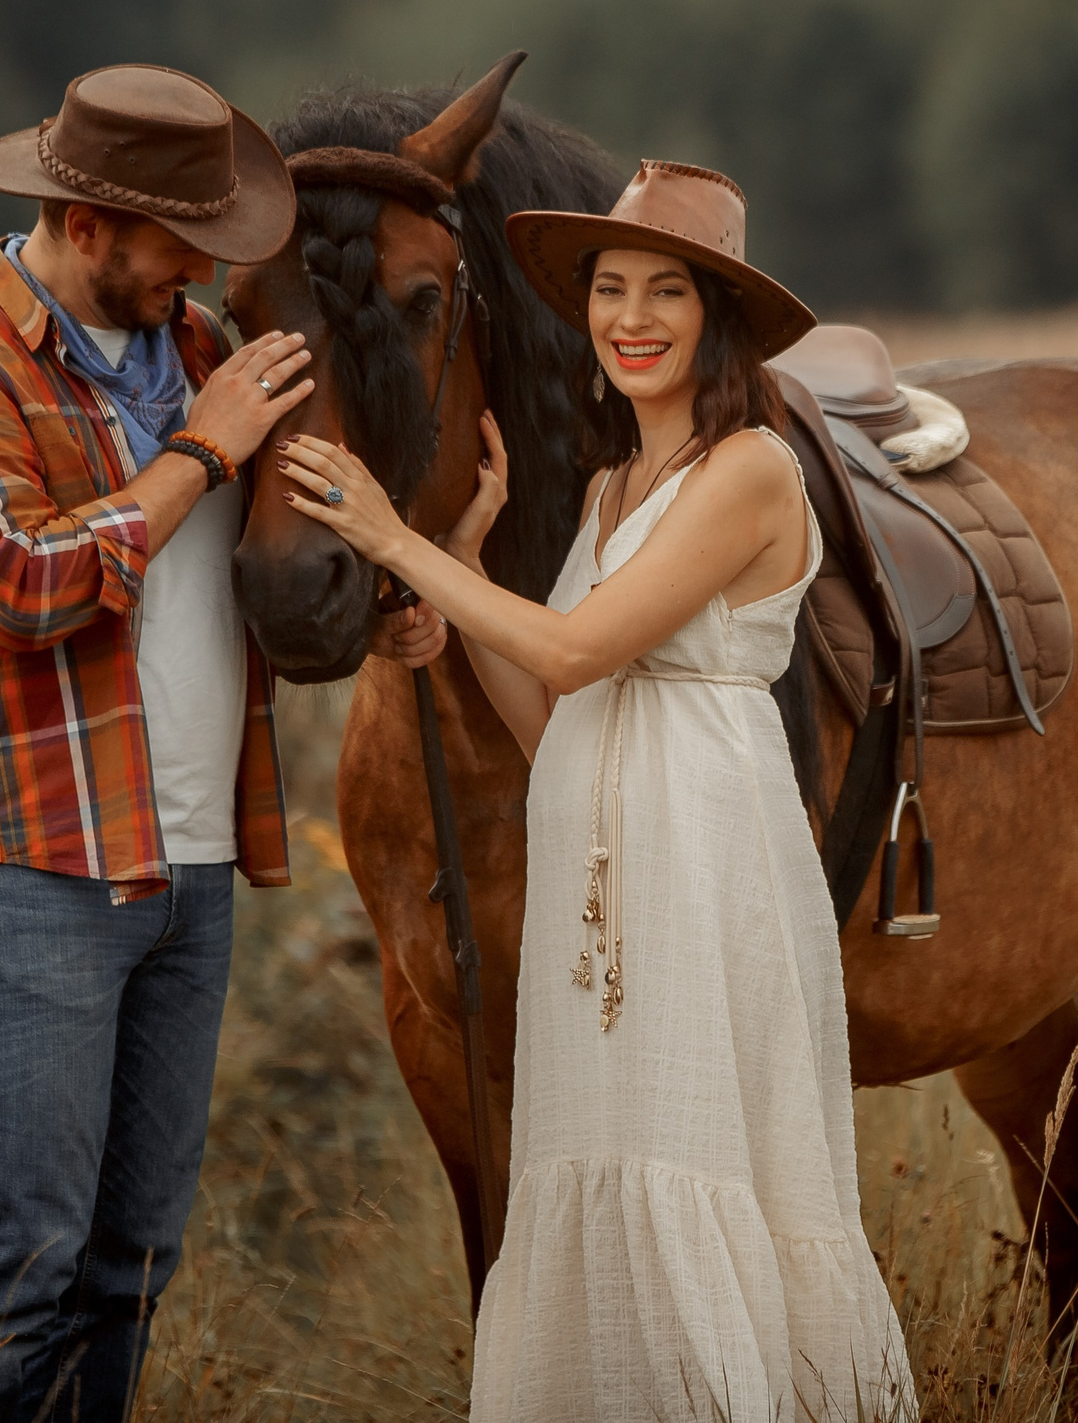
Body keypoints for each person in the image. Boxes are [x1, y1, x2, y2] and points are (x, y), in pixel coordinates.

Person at [280, 160, 916, 1420]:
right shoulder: (615, 485)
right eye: (608, 289)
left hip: (698, 853)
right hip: (609, 870)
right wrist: (461, 571)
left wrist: (393, 536)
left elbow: (577, 646)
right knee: (605, 1166)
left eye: (664, 291)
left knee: (689, 1161)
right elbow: (558, 717)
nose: (630, 317)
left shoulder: (746, 472)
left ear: (715, 315)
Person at [0, 64, 445, 1422]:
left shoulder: (195, 348)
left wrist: (395, 596)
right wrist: (197, 451)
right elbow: (15, 583)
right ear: (88, 227)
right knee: (20, 1249)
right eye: (180, 242)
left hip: (191, 864)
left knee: (129, 1262)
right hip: (37, 858)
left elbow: (264, 550)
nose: (204, 267)